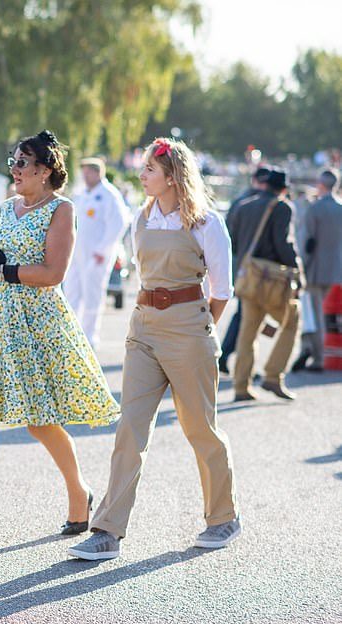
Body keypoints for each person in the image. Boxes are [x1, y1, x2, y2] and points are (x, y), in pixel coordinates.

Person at [0, 131, 118, 547]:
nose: (15, 170)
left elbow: (54, 272)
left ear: (46, 170)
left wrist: (7, 271)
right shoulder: (6, 207)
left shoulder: (62, 209)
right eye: (13, 161)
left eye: (23, 163)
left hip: (35, 323)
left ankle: (79, 492)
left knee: (39, 421)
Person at [69, 137, 240, 561]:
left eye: (149, 168)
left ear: (171, 176)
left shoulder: (207, 224)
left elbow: (222, 291)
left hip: (188, 331)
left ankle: (223, 518)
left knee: (200, 428)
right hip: (142, 328)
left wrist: (198, 330)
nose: (142, 174)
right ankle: (107, 530)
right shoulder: (139, 219)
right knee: (129, 428)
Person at [229, 167, 302, 401]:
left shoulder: (244, 205)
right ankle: (273, 376)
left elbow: (233, 241)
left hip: (248, 278)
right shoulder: (281, 207)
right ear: (282, 189)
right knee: (291, 322)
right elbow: (283, 244)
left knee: (247, 331)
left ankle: (241, 385)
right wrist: (298, 269)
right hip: (272, 281)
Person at [62, 157, 130, 348]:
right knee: (72, 292)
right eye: (83, 172)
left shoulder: (109, 195)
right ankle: (71, 334)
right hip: (76, 252)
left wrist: (104, 249)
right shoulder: (82, 193)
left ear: (97, 172)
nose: (85, 176)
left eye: (88, 172)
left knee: (92, 295)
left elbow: (119, 223)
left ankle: (89, 337)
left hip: (97, 254)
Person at [218, 166, 271, 373]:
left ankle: (233, 357)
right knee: (248, 316)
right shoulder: (263, 204)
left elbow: (230, 234)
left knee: (245, 314)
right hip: (257, 268)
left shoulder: (240, 201)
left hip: (241, 264)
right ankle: (239, 362)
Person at [295, 169, 342, 372]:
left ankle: (319, 357)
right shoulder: (340, 208)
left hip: (315, 268)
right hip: (335, 267)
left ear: (320, 184)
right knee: (325, 314)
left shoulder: (314, 209)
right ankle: (317, 354)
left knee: (314, 314)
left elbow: (307, 242)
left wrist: (301, 268)